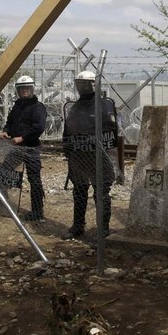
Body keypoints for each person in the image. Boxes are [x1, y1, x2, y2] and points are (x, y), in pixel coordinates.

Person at [61, 70, 120, 239]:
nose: (82, 88)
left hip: (99, 156)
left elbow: (110, 129)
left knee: (100, 192)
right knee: (79, 191)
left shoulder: (104, 104)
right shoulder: (74, 107)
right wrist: (68, 149)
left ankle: (103, 228)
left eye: (85, 84)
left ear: (94, 84)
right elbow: (68, 130)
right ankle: (78, 226)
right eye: (79, 85)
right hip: (78, 155)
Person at [0, 75, 47, 222]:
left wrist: (23, 137)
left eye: (27, 88)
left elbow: (38, 127)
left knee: (34, 180)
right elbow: (10, 122)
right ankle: (2, 201)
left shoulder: (38, 107)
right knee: (4, 171)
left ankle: (37, 212)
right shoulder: (18, 106)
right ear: (18, 90)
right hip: (17, 147)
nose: (24, 90)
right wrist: (6, 131)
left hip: (30, 148)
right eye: (21, 88)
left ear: (32, 89)